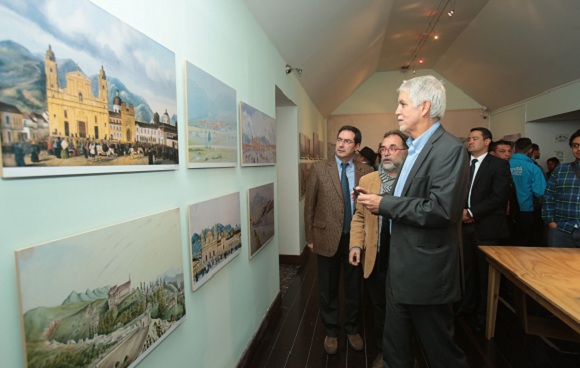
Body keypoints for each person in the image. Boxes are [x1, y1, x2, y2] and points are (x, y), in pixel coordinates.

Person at [356, 75, 469, 367]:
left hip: (427, 273)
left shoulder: (449, 149)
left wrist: (384, 204)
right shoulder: (414, 148)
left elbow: (441, 209)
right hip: (401, 267)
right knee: (395, 350)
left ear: (424, 107)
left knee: (441, 353)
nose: (397, 110)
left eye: (403, 103)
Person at [304, 125, 373, 355]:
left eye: (347, 141)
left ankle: (352, 329)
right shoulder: (319, 169)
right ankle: (331, 332)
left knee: (354, 287)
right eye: (339, 140)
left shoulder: (367, 171)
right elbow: (310, 205)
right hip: (326, 237)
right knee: (328, 288)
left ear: (357, 146)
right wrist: (310, 237)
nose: (341, 145)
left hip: (355, 239)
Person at [349, 130, 408, 368]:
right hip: (376, 257)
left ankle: (402, 354)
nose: (386, 153)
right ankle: (384, 352)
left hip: (406, 260)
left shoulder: (412, 180)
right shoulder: (367, 181)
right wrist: (355, 244)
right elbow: (359, 218)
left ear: (406, 152)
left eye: (393, 148)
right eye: (383, 148)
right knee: (379, 307)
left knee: (404, 310)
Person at [459, 127, 511, 331]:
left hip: (487, 227)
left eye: (474, 138)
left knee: (485, 274)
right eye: (469, 138)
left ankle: (485, 313)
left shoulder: (498, 165)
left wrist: (471, 212)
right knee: (466, 269)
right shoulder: (463, 164)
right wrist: (460, 212)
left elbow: (498, 197)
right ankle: (466, 305)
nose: (470, 142)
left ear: (487, 141)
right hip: (463, 226)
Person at [542, 129, 580, 248]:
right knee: (556, 265)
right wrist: (551, 222)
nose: (578, 149)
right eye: (575, 145)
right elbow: (548, 196)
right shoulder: (560, 170)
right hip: (561, 229)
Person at [509, 138, 546, 246]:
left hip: (506, 211)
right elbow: (539, 192)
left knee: (507, 242)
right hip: (526, 209)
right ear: (530, 150)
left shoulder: (504, 164)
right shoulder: (533, 168)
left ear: (515, 148)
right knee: (525, 241)